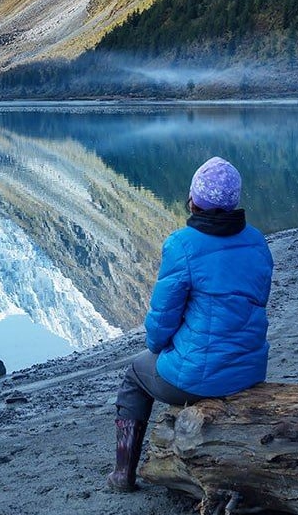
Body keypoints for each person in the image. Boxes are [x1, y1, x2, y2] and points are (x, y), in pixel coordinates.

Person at [107, 156, 273, 492]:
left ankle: (122, 475)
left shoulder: (182, 245)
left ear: (194, 200)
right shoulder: (257, 242)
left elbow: (162, 320)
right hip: (251, 371)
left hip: (201, 377)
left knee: (136, 375)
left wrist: (158, 348)